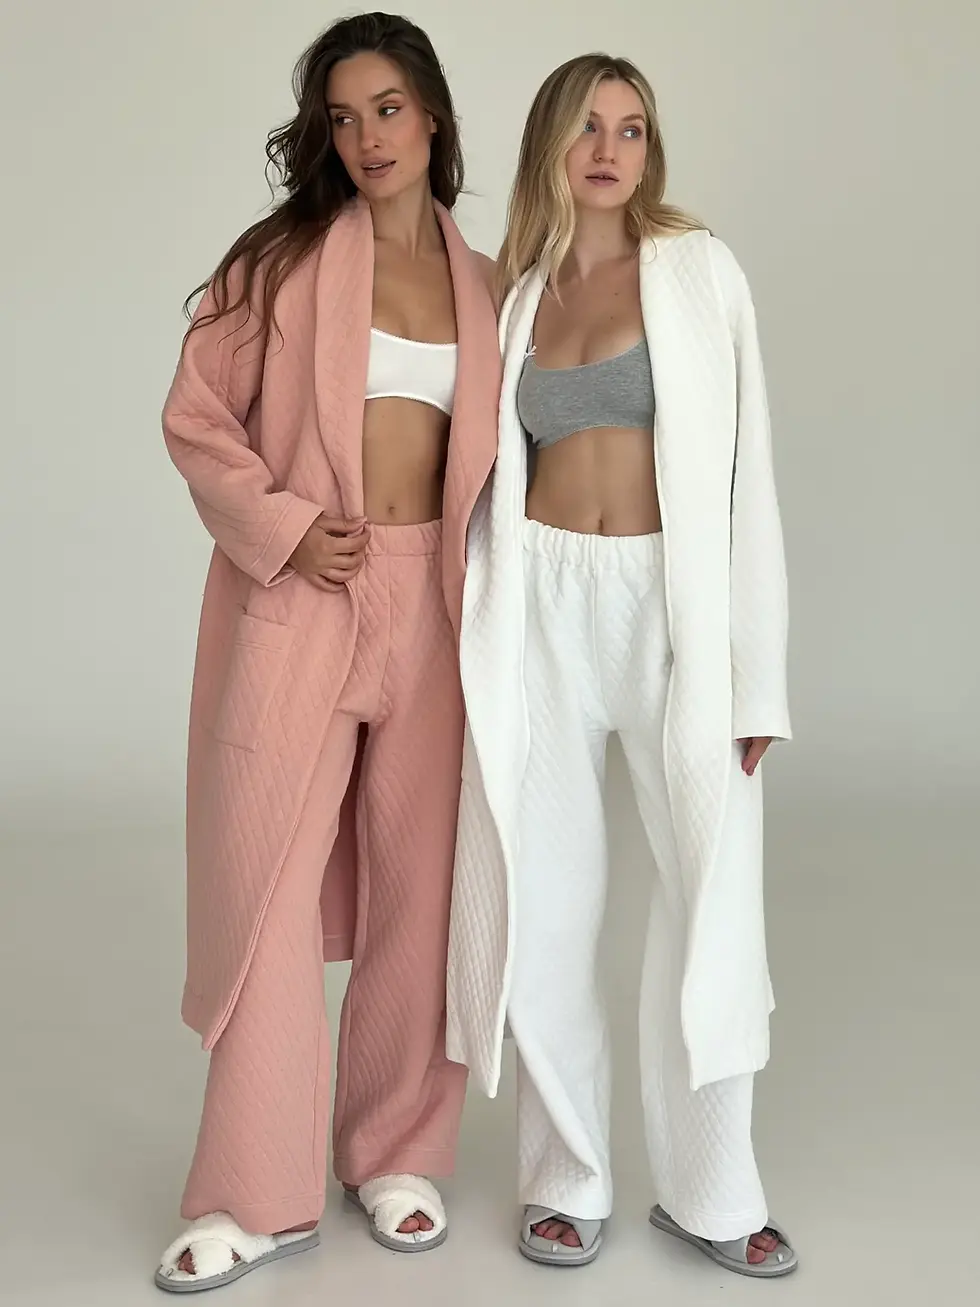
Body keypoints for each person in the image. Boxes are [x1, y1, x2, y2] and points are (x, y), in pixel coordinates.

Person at [154, 13, 499, 1291]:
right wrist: (286, 527)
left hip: (440, 610)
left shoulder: (490, 283)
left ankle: (394, 1149)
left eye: (387, 108)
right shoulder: (280, 264)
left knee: (422, 886)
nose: (366, 138)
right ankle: (250, 1189)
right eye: (343, 117)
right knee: (269, 889)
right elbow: (198, 419)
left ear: (432, 114)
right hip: (306, 600)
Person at [446, 54, 799, 1277]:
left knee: (709, 895)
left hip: (669, 608)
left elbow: (750, 475)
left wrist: (756, 674)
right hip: (542, 606)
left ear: (649, 149)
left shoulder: (699, 271)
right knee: (544, 899)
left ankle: (712, 1190)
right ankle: (567, 1174)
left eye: (631, 128)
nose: (608, 149)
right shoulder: (515, 295)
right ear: (551, 143)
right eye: (588, 127)